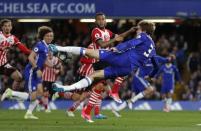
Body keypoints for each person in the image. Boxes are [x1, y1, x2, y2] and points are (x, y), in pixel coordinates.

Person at [49, 20, 156, 121]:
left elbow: (131, 43)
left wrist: (118, 48)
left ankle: (58, 48)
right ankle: (64, 89)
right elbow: (153, 62)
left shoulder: (144, 36)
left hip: (122, 59)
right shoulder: (153, 47)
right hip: (127, 69)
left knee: (88, 52)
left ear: (144, 30)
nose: (137, 31)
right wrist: (151, 74)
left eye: (138, 29)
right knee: (95, 75)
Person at [23, 26, 54, 119]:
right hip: (32, 71)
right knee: (32, 97)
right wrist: (37, 69)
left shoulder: (46, 47)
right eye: (48, 36)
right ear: (43, 37)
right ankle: (11, 93)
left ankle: (29, 113)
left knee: (40, 93)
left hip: (37, 72)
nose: (50, 37)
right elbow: (30, 57)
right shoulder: (39, 45)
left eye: (51, 36)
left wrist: (54, 65)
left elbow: (44, 61)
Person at [0, 19, 31, 99]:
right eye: (5, 26)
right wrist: (1, 48)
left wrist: (36, 52)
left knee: (19, 77)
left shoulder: (13, 38)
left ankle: (11, 93)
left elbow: (25, 50)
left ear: (11, 27)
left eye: (9, 26)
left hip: (3, 64)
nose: (7, 27)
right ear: (2, 27)